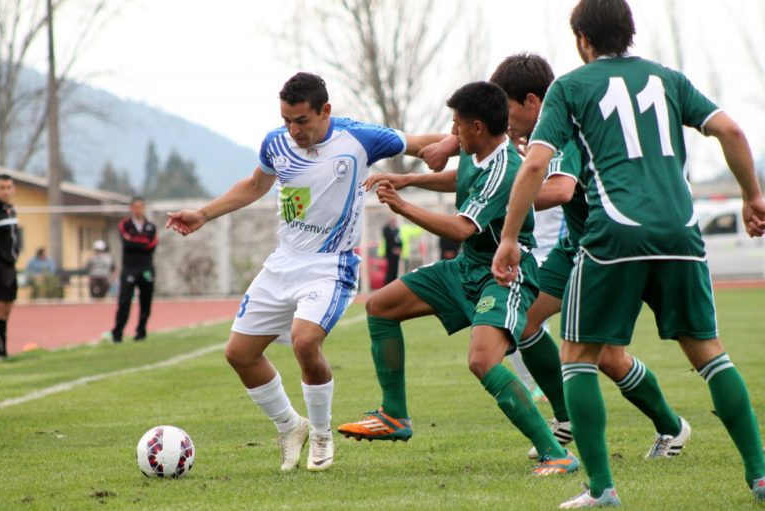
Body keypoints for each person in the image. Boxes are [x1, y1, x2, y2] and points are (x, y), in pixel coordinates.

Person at [492, 1, 765, 507]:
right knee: (709, 353)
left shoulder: (570, 88)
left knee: (577, 356)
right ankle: (760, 475)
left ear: (581, 39)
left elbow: (534, 168)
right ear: (629, 32)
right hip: (683, 233)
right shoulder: (669, 79)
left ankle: (601, 490)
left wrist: (509, 237)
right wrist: (752, 195)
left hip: (615, 233)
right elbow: (730, 130)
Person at [166, 72, 444, 472]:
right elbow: (255, 184)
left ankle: (321, 435)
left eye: (301, 121)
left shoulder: (359, 138)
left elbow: (419, 142)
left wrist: (466, 141)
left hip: (331, 265)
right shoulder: (275, 143)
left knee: (304, 341)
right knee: (239, 354)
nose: (293, 130)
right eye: (286, 120)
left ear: (325, 111)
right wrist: (203, 214)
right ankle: (289, 426)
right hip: (283, 262)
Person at [337, 81, 579, 476]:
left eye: (457, 124)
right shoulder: (477, 152)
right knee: (381, 306)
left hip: (503, 274)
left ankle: (557, 453)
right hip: (466, 267)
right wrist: (409, 179)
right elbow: (459, 178)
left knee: (483, 361)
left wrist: (402, 205)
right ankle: (394, 416)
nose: (453, 131)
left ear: (478, 127)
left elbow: (461, 229)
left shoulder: (507, 168)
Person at [493, 52, 689, 462]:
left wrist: (501, 204)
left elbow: (562, 190)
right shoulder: (547, 133)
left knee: (605, 356)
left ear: (532, 102)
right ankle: (565, 415)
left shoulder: (565, 127)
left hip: (605, 248)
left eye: (506, 109)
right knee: (526, 321)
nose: (504, 120)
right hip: (576, 246)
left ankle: (671, 427)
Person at [111, 197, 157, 342]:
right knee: (124, 301)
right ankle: (118, 333)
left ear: (144, 208)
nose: (138, 210)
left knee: (146, 301)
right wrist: (141, 242)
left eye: (141, 207)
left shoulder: (151, 226)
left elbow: (151, 245)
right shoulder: (124, 224)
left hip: (146, 267)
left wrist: (134, 240)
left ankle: (141, 332)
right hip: (129, 268)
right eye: (135, 207)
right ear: (131, 208)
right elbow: (127, 243)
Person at [0, 174, 21, 359]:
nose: (6, 191)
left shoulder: (11, 210)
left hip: (10, 266)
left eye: (8, 187)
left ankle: (3, 349)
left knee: (7, 308)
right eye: (2, 187)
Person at [380, 215, 402, 284]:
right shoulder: (386, 229)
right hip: (389, 252)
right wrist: (393, 249)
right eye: (392, 221)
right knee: (389, 270)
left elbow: (399, 240)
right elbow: (389, 239)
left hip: (396, 254)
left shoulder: (397, 230)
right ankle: (388, 284)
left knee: (395, 269)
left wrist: (399, 248)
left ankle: (394, 283)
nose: (393, 222)